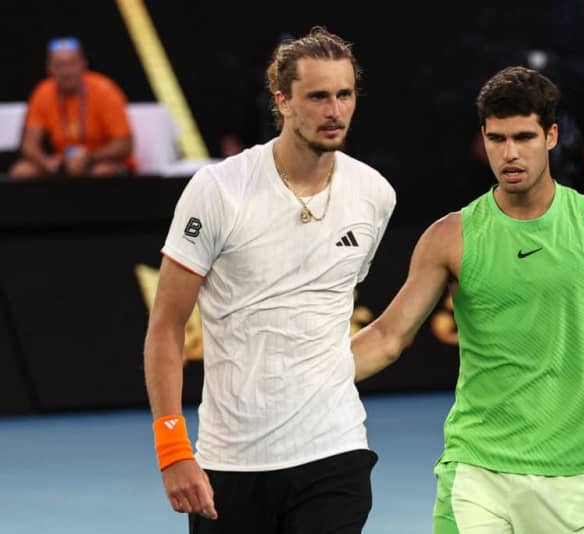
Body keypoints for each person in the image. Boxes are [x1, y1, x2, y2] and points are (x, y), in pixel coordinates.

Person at [351, 66, 584, 533]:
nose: (509, 153)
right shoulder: (450, 237)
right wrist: (305, 377)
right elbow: (388, 336)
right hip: (475, 472)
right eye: (497, 138)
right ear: (483, 139)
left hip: (575, 478)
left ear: (551, 136)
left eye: (524, 137)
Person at [143, 26, 396, 533]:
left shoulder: (374, 194)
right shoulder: (218, 190)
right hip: (231, 463)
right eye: (318, 96)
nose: (334, 110)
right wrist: (173, 450)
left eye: (344, 95)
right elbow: (167, 327)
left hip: (335, 450)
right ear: (282, 100)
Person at [9, 37, 135, 179]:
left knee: (101, 172)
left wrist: (89, 157)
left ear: (83, 64)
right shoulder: (43, 92)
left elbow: (125, 145)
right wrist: (45, 161)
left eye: (71, 64)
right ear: (49, 68)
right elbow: (29, 144)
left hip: (102, 160)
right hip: (63, 162)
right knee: (22, 171)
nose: (66, 72)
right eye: (59, 65)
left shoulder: (105, 91)